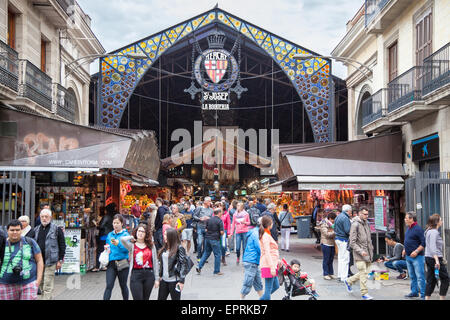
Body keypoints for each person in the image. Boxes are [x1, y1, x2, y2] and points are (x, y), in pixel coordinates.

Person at [0, 220, 43, 300]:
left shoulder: (30, 242)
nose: (15, 232)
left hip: (28, 284)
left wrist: (38, 281)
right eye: (12, 230)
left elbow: (39, 260)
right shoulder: (2, 243)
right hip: (5, 284)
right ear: (7, 231)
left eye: (17, 230)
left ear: (21, 230)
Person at [33, 208, 66, 300]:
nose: (44, 218)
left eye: (46, 217)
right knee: (42, 284)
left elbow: (62, 245)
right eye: (42, 217)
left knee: (47, 285)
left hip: (51, 261)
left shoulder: (56, 229)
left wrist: (60, 260)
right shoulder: (36, 230)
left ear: (50, 217)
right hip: (39, 262)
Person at [120, 223, 159, 300]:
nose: (140, 233)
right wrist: (132, 236)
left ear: (146, 234)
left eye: (143, 232)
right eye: (139, 231)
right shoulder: (132, 245)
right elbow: (122, 239)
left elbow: (155, 261)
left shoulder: (151, 246)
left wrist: (157, 279)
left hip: (149, 275)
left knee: (145, 298)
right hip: (136, 275)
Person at [344, 207, 374, 300]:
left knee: (366, 272)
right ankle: (364, 293)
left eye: (367, 214)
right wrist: (361, 251)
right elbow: (352, 242)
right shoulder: (355, 224)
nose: (366, 216)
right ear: (359, 214)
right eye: (364, 214)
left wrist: (371, 250)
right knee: (363, 272)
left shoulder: (366, 223)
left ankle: (349, 281)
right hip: (359, 254)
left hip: (368, 253)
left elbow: (369, 239)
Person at [103, 214, 131, 300]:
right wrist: (106, 248)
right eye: (114, 223)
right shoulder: (110, 235)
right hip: (111, 263)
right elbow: (108, 245)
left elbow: (128, 249)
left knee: (123, 286)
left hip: (122, 263)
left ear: (122, 223)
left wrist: (118, 244)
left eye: (117, 223)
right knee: (109, 285)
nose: (115, 225)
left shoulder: (126, 235)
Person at [156, 228, 189, 300]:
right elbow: (162, 264)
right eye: (164, 234)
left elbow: (183, 264)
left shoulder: (179, 248)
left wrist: (181, 281)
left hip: (174, 281)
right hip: (164, 280)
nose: (163, 236)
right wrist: (159, 276)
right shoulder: (164, 247)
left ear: (171, 236)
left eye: (165, 235)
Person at [424, 214, 448, 300]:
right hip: (434, 258)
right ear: (437, 222)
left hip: (428, 257)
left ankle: (427, 298)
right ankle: (442, 298)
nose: (442, 221)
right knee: (445, 278)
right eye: (440, 220)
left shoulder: (428, 231)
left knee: (431, 280)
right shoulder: (434, 232)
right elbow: (433, 247)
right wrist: (437, 260)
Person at [403, 211, 426, 299]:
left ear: (411, 219)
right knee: (412, 276)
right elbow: (409, 240)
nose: (405, 220)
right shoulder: (408, 228)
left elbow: (423, 243)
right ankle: (414, 292)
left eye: (406, 218)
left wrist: (416, 251)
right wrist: (405, 249)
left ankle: (423, 295)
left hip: (417, 257)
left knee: (420, 276)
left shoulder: (418, 229)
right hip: (408, 256)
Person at [196, 207, 224, 275]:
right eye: (221, 212)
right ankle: (216, 270)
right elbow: (221, 232)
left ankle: (199, 266)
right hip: (215, 239)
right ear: (219, 213)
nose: (222, 214)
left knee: (206, 253)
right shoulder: (220, 221)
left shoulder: (209, 220)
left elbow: (206, 230)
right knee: (217, 255)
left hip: (207, 238)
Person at [240, 218, 263, 299]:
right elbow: (258, 247)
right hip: (251, 260)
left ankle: (263, 298)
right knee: (248, 282)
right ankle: (241, 298)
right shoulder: (256, 233)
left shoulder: (254, 231)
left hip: (252, 260)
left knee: (258, 282)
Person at [259, 215, 280, 300]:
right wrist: (272, 267)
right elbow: (267, 252)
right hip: (268, 265)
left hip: (271, 263)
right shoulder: (266, 236)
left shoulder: (266, 234)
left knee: (276, 286)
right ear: (269, 224)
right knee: (268, 290)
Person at [334, 204, 352, 282]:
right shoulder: (345, 218)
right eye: (350, 211)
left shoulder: (338, 216)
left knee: (341, 258)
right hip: (343, 240)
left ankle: (340, 275)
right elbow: (348, 230)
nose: (351, 213)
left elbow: (334, 227)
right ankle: (344, 277)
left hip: (338, 238)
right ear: (348, 211)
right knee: (345, 259)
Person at [94, 204, 114, 272]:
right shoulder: (111, 216)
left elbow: (101, 226)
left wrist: (97, 225)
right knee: (106, 250)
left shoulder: (106, 217)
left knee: (100, 250)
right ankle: (104, 265)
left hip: (103, 236)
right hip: (108, 235)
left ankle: (97, 266)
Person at [193, 197, 213, 262]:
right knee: (199, 243)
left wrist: (208, 218)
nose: (210, 202)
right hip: (200, 226)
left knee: (205, 244)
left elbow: (213, 218)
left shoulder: (211, 210)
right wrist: (200, 219)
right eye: (209, 201)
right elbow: (194, 216)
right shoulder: (199, 208)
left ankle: (203, 258)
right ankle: (199, 256)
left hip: (207, 228)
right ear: (205, 202)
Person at [319, 211, 337, 280]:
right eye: (332, 220)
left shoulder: (332, 225)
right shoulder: (324, 224)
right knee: (326, 259)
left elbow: (330, 233)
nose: (333, 221)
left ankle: (331, 273)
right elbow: (327, 234)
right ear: (329, 218)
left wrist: (332, 231)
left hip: (332, 243)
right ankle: (325, 274)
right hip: (326, 243)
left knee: (331, 259)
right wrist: (334, 232)